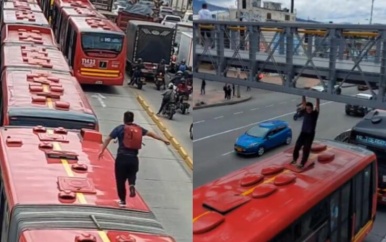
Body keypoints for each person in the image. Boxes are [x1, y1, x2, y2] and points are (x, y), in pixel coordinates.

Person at [98, 111, 170, 207]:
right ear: (132, 119)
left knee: (120, 180)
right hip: (133, 158)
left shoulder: (120, 128)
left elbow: (108, 139)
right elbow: (151, 134)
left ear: (124, 119)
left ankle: (123, 201)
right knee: (132, 173)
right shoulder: (139, 129)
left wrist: (102, 150)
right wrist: (163, 139)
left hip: (122, 158)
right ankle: (132, 184)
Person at [291, 96, 320, 169]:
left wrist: (317, 97)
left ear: (312, 108)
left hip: (310, 134)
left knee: (306, 149)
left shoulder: (315, 113)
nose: (308, 110)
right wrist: (303, 95)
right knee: (297, 146)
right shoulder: (305, 111)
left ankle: (302, 163)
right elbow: (304, 103)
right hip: (303, 133)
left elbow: (318, 105)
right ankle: (294, 159)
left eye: (309, 109)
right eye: (307, 109)